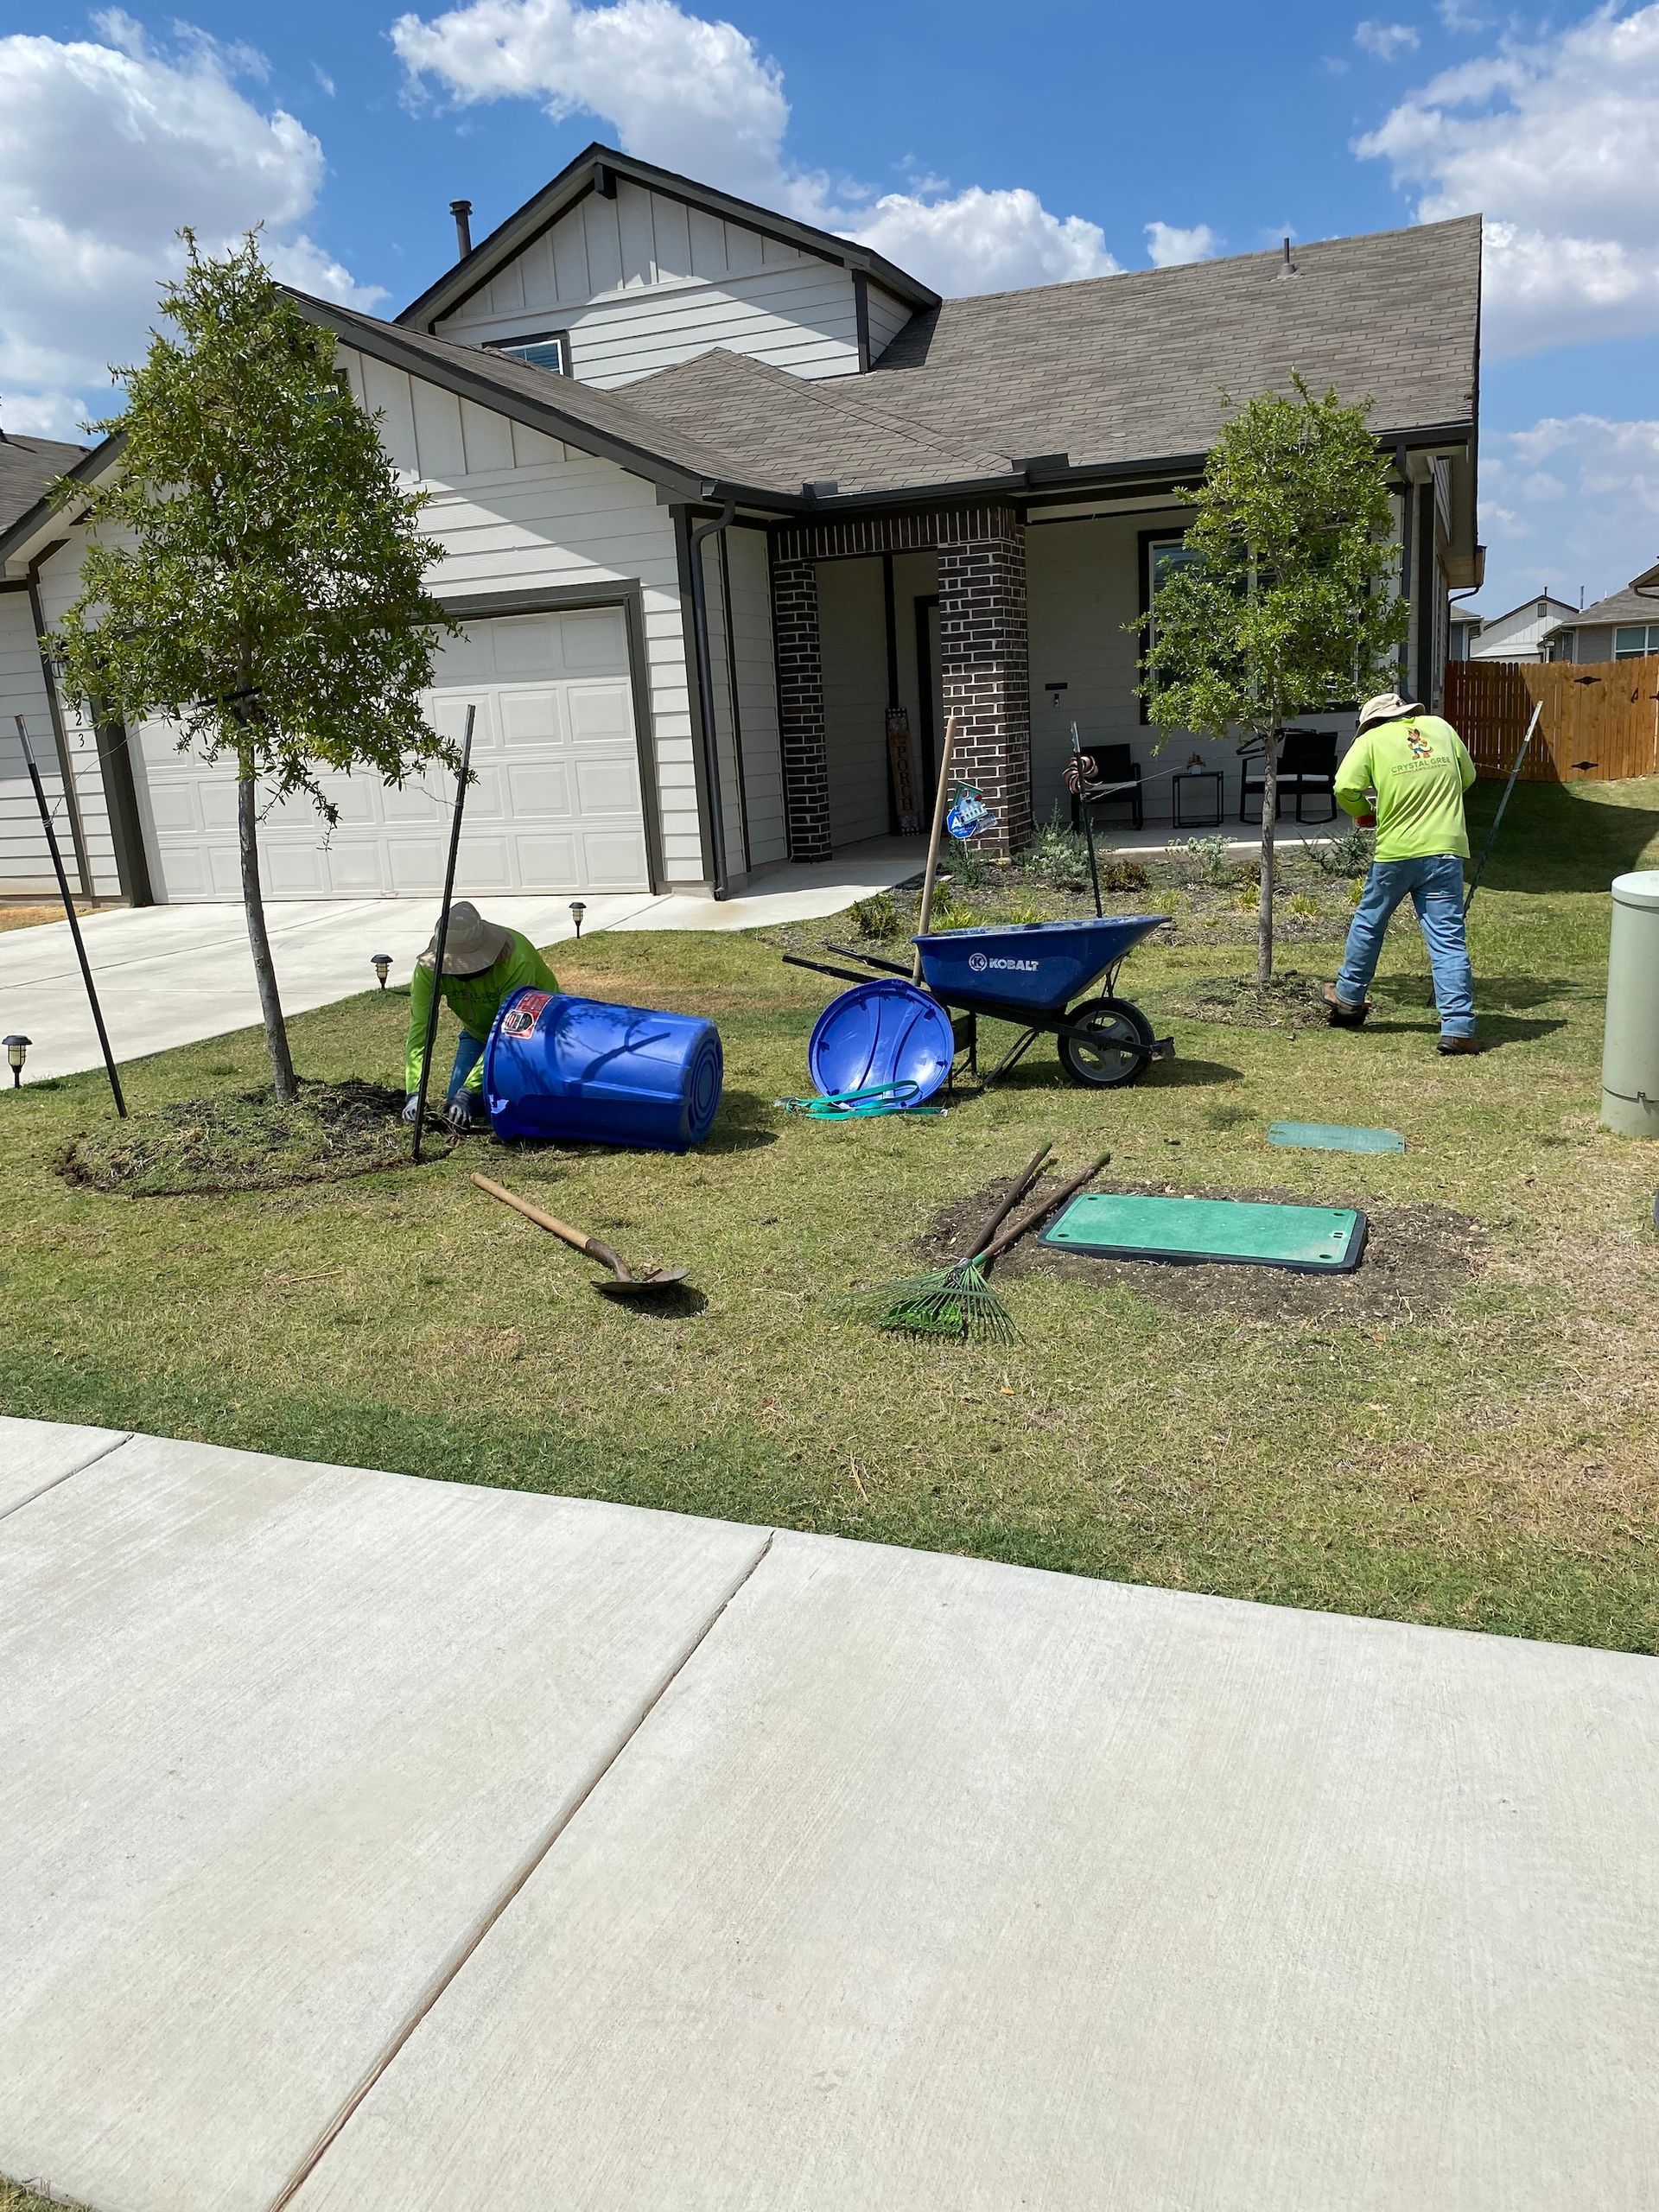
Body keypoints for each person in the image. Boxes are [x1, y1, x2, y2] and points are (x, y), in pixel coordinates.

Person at [1325, 690, 1479, 1055]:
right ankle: (1458, 1028)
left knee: (1370, 923)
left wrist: (1365, 812)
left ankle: (1348, 998)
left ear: (1371, 722)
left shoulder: (1371, 740)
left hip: (1397, 852)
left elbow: (1344, 787)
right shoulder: (1440, 727)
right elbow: (1468, 776)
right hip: (1446, 849)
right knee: (1447, 940)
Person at [403, 901, 559, 1130]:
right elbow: (421, 1030)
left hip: (535, 1034)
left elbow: (510, 1032)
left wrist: (468, 1091)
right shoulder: (428, 972)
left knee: (507, 1102)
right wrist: (414, 1093)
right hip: (478, 1035)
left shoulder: (516, 959)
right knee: (457, 1105)